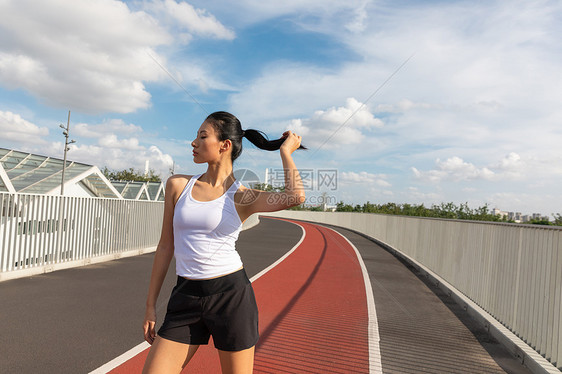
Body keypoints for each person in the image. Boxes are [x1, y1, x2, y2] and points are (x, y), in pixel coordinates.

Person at [142, 111, 306, 374]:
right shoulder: (177, 186)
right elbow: (165, 247)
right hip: (185, 296)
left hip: (231, 298)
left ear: (225, 145)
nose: (193, 143)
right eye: (195, 136)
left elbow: (295, 196)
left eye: (202, 136)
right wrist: (150, 305)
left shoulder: (241, 197)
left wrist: (286, 152)